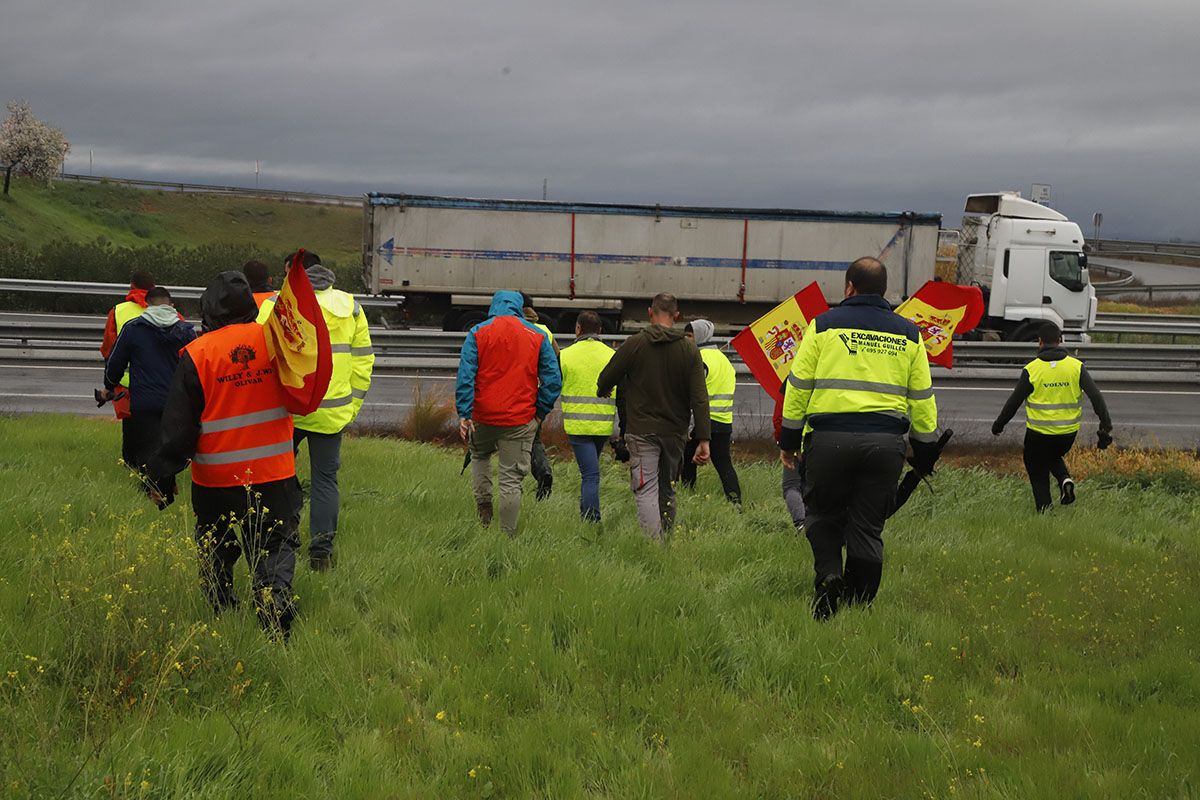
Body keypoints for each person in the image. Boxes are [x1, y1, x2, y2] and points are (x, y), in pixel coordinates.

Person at [779, 257, 938, 620]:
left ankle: (830, 576)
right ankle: (858, 610)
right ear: (884, 290)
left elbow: (798, 388)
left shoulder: (822, 326)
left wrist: (789, 442)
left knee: (822, 515)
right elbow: (923, 400)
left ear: (849, 287)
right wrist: (925, 450)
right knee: (868, 526)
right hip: (885, 446)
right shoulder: (910, 334)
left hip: (829, 441)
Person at [146, 271, 302, 639]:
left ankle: (220, 606)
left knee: (215, 542)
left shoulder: (198, 355)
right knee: (275, 545)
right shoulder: (277, 344)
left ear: (208, 312)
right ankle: (274, 615)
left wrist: (161, 477)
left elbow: (179, 429)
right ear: (250, 306)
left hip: (217, 478)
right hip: (274, 473)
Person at [285, 251, 375, 571]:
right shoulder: (350, 306)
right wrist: (352, 406)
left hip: (288, 411)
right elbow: (364, 360)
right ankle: (320, 554)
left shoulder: (279, 305)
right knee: (325, 481)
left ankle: (283, 539)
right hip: (333, 411)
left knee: (280, 476)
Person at [596, 292, 710, 541]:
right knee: (666, 488)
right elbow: (699, 397)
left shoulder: (635, 343)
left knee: (645, 488)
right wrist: (703, 438)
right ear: (676, 316)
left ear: (650, 313)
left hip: (642, 431)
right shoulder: (689, 350)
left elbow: (607, 377)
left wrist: (603, 389)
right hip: (675, 432)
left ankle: (653, 547)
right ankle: (666, 539)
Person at [456, 290, 561, 535]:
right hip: (520, 419)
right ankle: (507, 534)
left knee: (480, 456)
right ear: (520, 307)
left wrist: (464, 412)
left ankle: (483, 507)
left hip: (483, 417)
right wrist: (539, 412)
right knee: (510, 479)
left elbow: (465, 376)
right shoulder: (536, 335)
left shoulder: (478, 332)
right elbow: (553, 380)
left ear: (494, 306)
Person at [991, 322, 1112, 511]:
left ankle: (1045, 512)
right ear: (1060, 340)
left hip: (1038, 434)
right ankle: (1064, 479)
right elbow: (1096, 397)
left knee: (1036, 466)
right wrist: (1106, 424)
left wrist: (998, 425)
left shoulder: (1032, 370)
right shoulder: (1076, 367)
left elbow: (1013, 402)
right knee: (1052, 455)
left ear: (1039, 342)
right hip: (1067, 434)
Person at [100, 287, 196, 489]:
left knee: (147, 450)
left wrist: (109, 385)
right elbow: (197, 366)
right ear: (171, 305)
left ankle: (152, 492)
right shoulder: (186, 331)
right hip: (177, 402)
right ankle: (167, 488)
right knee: (169, 447)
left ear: (147, 305)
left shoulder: (133, 329)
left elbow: (115, 362)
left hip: (144, 402)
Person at [558, 310, 617, 521]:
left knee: (590, 475)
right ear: (600, 331)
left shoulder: (565, 355)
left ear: (578, 329)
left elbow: (553, 386)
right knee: (590, 473)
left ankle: (591, 520)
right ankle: (587, 516)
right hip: (602, 426)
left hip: (577, 426)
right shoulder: (611, 355)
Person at [680, 319, 742, 505]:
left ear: (699, 336)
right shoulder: (724, 359)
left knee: (687, 462)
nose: (686, 340)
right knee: (724, 465)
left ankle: (687, 500)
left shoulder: (699, 358)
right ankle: (736, 504)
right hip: (723, 421)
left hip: (701, 421)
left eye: (690, 336)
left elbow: (690, 391)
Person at [100, 271, 156, 458]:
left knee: (131, 429)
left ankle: (131, 464)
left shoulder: (118, 311)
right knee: (157, 428)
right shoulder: (170, 312)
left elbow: (109, 350)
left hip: (128, 383)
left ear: (131, 286)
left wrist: (109, 382)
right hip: (161, 383)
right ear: (154, 288)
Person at [521, 292, 557, 500]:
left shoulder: (512, 326)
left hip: (515, 393)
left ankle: (515, 483)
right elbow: (555, 365)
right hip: (536, 394)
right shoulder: (545, 331)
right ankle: (543, 470)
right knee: (533, 439)